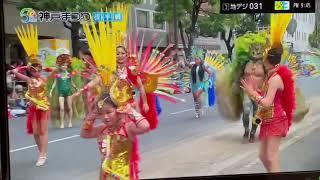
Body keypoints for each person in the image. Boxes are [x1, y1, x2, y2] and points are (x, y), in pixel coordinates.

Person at [241, 45, 296, 173]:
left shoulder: (275, 79)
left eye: (263, 60)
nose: (262, 62)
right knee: (263, 156)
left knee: (271, 157)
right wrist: (252, 92)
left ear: (267, 61)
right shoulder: (270, 77)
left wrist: (252, 93)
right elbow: (263, 96)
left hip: (276, 120)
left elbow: (266, 102)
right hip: (267, 119)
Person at [80, 92, 150, 180]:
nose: (105, 117)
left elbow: (145, 126)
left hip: (124, 176)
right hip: (105, 176)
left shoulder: (127, 128)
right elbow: (84, 133)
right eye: (101, 114)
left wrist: (130, 111)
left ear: (118, 110)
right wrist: (91, 116)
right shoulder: (101, 129)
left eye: (108, 112)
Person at [10, 57, 50, 166]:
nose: (36, 72)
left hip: (43, 108)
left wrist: (45, 68)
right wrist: (25, 66)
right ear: (30, 71)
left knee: (43, 131)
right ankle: (42, 152)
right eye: (34, 70)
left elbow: (54, 70)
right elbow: (15, 71)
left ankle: (42, 155)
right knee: (36, 133)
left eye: (38, 70)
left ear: (41, 70)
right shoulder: (28, 80)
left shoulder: (45, 79)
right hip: (33, 108)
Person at [49, 54, 78, 128]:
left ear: (67, 66)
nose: (64, 67)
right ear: (60, 66)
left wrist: (76, 88)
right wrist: (51, 91)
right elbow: (54, 83)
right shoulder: (57, 75)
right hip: (61, 93)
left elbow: (72, 82)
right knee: (61, 108)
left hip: (68, 93)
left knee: (69, 107)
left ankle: (70, 122)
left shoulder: (69, 75)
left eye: (65, 65)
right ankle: (62, 123)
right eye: (62, 65)